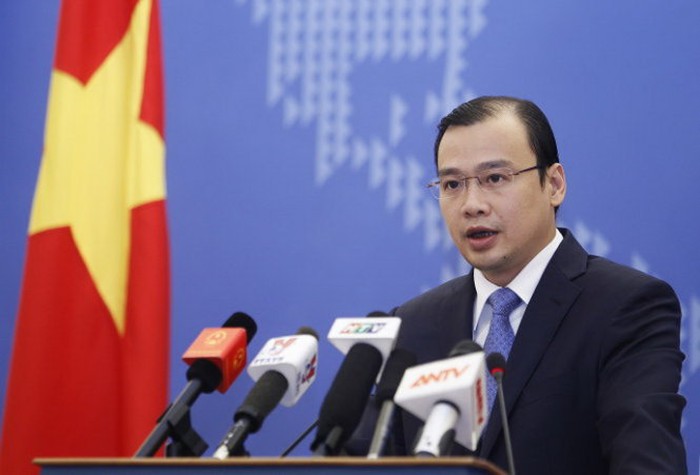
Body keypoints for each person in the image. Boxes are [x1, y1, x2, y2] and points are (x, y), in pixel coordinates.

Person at [349, 96, 687, 474]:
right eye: (452, 183)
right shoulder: (413, 325)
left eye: (495, 178)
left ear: (554, 185)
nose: (471, 204)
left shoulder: (625, 306)